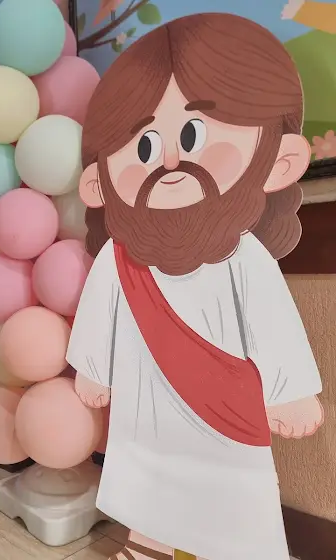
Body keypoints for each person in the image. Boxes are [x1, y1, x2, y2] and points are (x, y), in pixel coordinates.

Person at [67, 13, 324, 560]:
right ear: (99, 181)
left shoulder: (244, 256)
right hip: (144, 411)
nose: (169, 160)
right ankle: (148, 546)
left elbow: (273, 322)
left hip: (225, 416)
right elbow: (98, 314)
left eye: (193, 134)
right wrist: (92, 367)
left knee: (235, 508)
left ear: (279, 161)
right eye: (142, 146)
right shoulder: (117, 258)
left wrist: (289, 390)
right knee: (147, 488)